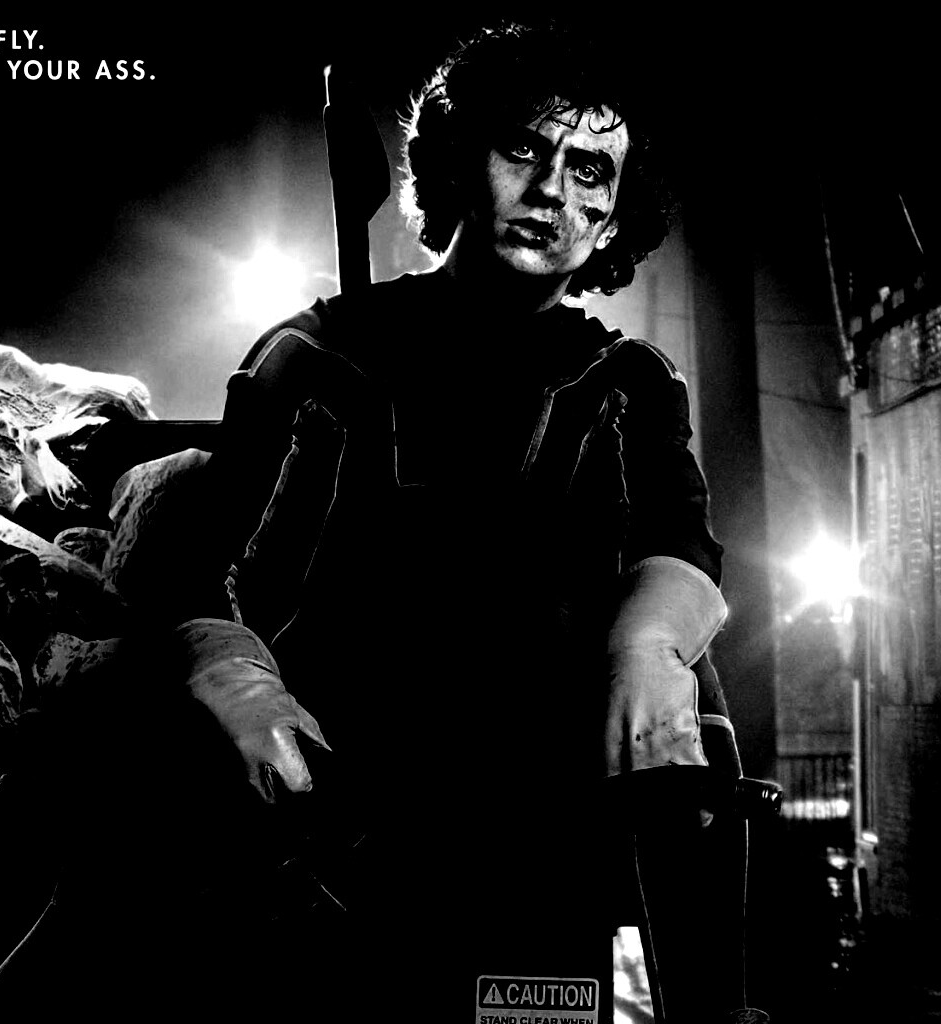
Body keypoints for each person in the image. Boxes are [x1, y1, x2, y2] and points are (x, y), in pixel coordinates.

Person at [98, 20, 765, 1024]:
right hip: (341, 807)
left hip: (545, 819)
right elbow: (203, 559)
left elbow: (680, 539)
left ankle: (711, 1009)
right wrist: (234, 675)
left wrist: (651, 642)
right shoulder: (314, 358)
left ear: (615, 213)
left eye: (589, 168)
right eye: (522, 149)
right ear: (457, 157)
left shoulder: (624, 384)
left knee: (692, 716)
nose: (552, 190)